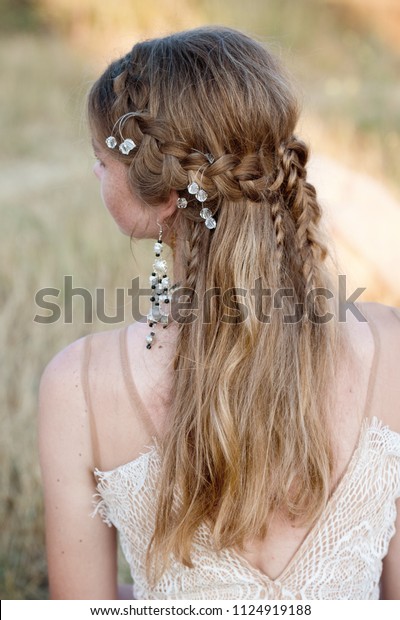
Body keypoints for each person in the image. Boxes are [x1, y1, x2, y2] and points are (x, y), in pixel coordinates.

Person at [38, 26, 400, 600]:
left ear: (161, 199)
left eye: (101, 159)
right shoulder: (390, 346)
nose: (94, 171)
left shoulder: (78, 386)